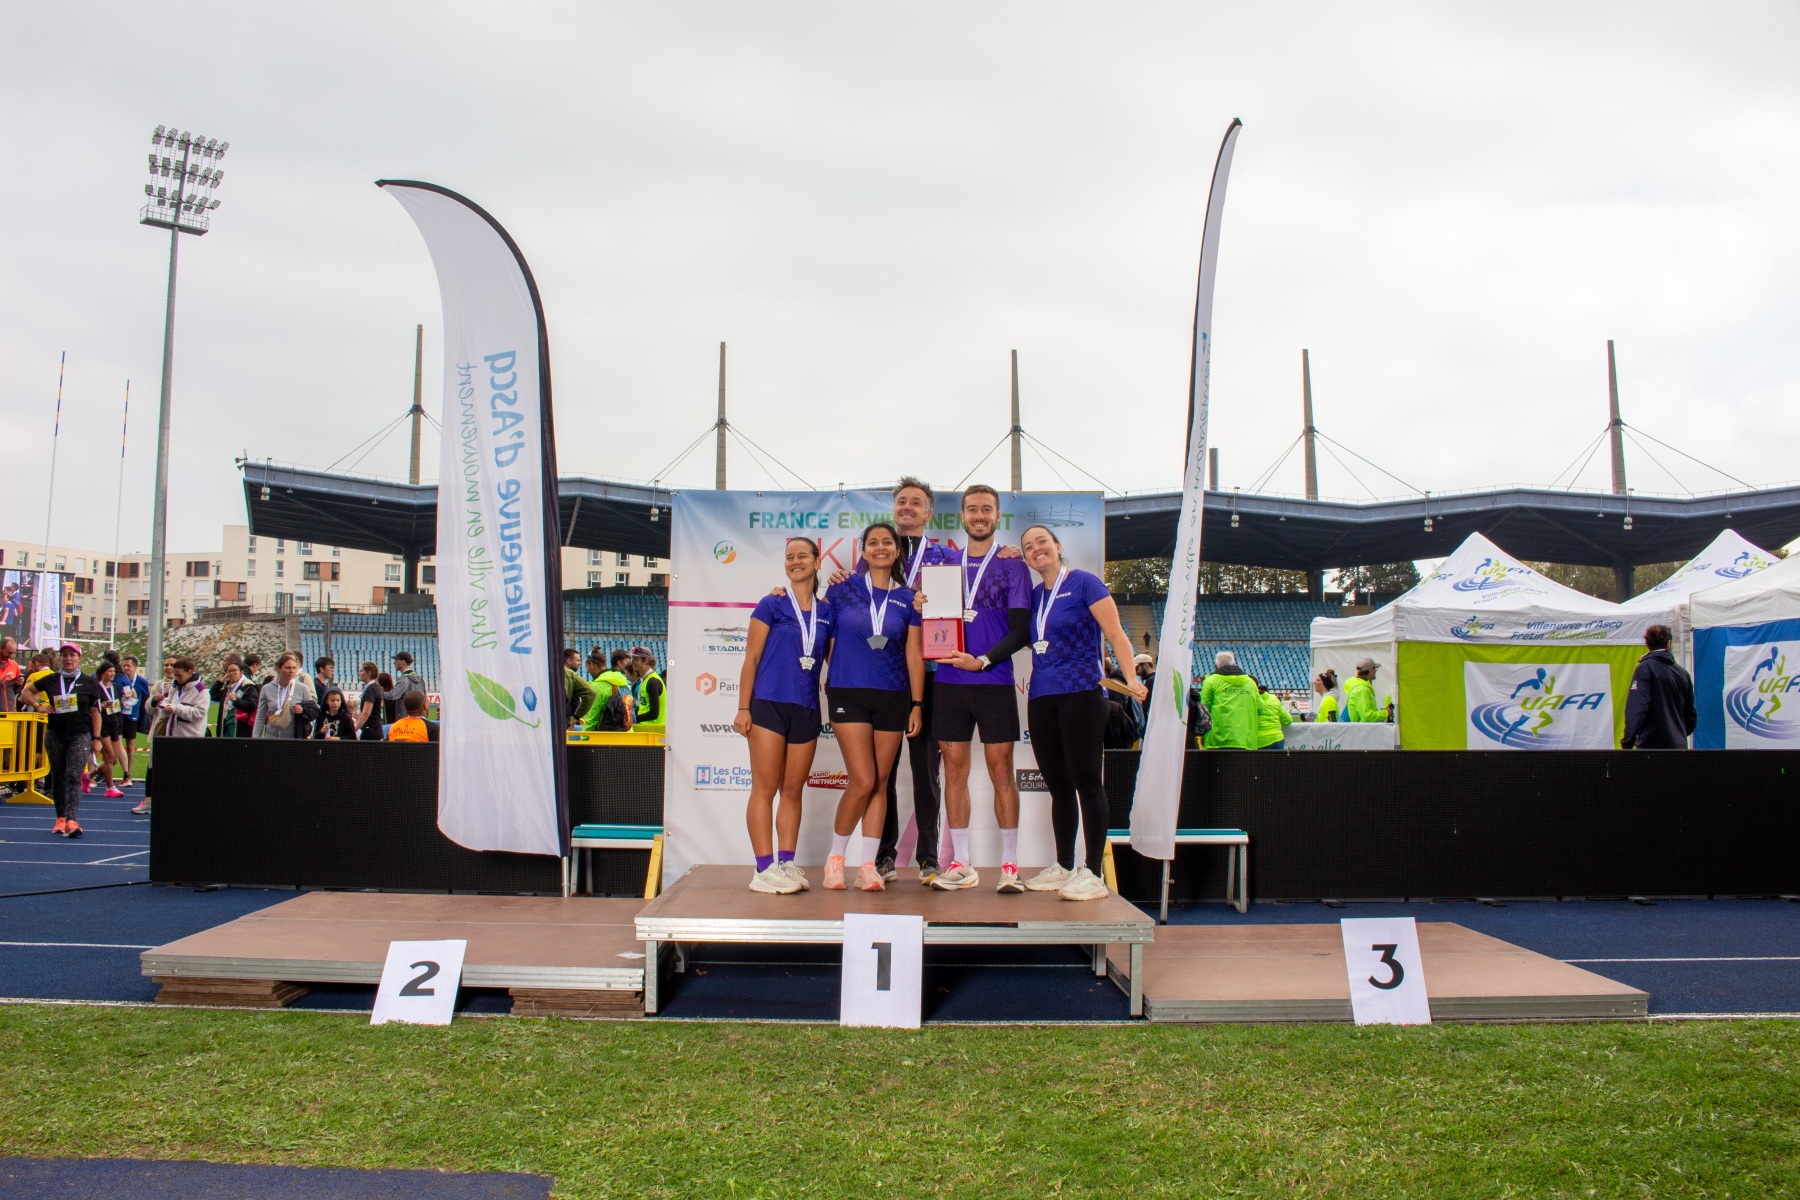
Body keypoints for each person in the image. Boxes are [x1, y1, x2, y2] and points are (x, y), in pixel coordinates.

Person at [1017, 524, 1146, 902]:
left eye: (1042, 541)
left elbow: (1116, 634)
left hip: (1082, 694)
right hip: (1042, 697)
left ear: (1057, 546)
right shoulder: (1034, 596)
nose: (1036, 549)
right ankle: (1063, 865)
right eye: (1028, 547)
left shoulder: (1085, 583)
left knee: (1087, 782)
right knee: (1058, 787)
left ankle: (1092, 872)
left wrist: (1132, 678)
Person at [924, 485, 1034, 894]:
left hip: (993, 682)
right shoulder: (944, 564)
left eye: (987, 509)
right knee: (954, 772)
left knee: (1001, 771)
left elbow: (1020, 632)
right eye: (972, 509)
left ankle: (1010, 866)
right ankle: (961, 864)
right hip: (950, 682)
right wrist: (920, 601)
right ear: (963, 516)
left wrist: (983, 660)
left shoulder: (1012, 565)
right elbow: (928, 614)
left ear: (997, 515)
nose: (979, 515)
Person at [821, 522, 924, 892]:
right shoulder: (840, 589)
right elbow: (823, 636)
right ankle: (835, 859)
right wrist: (846, 669)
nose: (880, 547)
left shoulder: (909, 599)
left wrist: (916, 703)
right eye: (873, 542)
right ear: (863, 551)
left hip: (893, 695)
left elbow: (914, 655)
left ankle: (868, 866)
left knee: (880, 782)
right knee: (863, 779)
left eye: (887, 542)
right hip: (848, 693)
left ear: (897, 551)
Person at [734, 537, 834, 894]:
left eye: (803, 556)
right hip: (768, 704)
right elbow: (751, 658)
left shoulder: (827, 612)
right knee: (764, 789)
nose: (795, 561)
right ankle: (763, 869)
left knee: (793, 790)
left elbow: (834, 659)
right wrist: (743, 707)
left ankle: (786, 863)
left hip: (806, 708)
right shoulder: (771, 603)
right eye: (790, 557)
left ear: (817, 562)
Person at [22, 643, 101, 837]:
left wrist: (97, 738)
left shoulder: (88, 682)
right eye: (64, 655)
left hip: (80, 733)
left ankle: (72, 820)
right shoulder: (51, 679)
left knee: (73, 775)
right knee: (58, 776)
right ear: (60, 658)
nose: (68, 659)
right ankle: (61, 818)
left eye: (72, 655)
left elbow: (95, 711)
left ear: (79, 658)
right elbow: (25, 693)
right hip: (55, 733)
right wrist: (38, 706)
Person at [1621, 624, 1696, 749]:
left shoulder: (1644, 669)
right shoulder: (1682, 673)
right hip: (1678, 747)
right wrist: (1678, 733)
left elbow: (1637, 708)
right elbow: (1690, 716)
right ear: (1669, 644)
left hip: (1651, 746)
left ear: (1647, 644)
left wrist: (1628, 741)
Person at [1199, 650, 1259, 750]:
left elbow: (1203, 708)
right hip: (1245, 740)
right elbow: (1260, 708)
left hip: (1217, 740)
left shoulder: (1211, 681)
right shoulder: (1250, 683)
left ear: (1216, 666)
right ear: (1234, 664)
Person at [252, 652, 319, 739]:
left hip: (294, 737)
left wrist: (303, 710)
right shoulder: (267, 688)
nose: (291, 671)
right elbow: (261, 715)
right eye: (288, 668)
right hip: (271, 737)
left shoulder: (303, 688)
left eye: (294, 668)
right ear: (278, 669)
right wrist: (255, 737)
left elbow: (312, 710)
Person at [90, 660, 127, 798]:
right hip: (102, 725)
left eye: (113, 671)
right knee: (109, 757)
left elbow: (117, 704)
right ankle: (110, 787)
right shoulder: (96, 687)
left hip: (114, 724)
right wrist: (104, 705)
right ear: (102, 673)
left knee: (113, 760)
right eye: (109, 671)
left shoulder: (115, 686)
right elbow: (93, 707)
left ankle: (88, 776)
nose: (112, 674)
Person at [579, 649, 635, 733]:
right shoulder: (623, 681)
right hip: (628, 734)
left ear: (591, 664)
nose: (587, 670)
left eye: (586, 666)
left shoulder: (596, 687)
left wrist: (585, 739)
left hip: (608, 737)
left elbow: (591, 720)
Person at [117, 655, 150, 785]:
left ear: (135, 667)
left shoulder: (141, 682)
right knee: (116, 744)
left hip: (132, 716)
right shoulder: (120, 679)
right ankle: (105, 770)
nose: (126, 668)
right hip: (119, 716)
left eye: (128, 666)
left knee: (130, 745)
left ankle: (128, 773)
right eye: (124, 665)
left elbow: (146, 698)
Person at [628, 646, 666, 736]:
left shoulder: (652, 682)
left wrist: (633, 719)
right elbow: (644, 706)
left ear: (645, 660)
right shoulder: (646, 679)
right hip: (647, 731)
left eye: (635, 659)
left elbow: (654, 713)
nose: (632, 662)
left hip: (654, 733)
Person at [1344, 658, 1391, 723]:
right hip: (1364, 729)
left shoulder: (1359, 687)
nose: (1375, 671)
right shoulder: (1362, 689)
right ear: (1370, 670)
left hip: (1362, 728)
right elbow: (1366, 716)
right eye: (1375, 668)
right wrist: (1385, 713)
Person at [382, 652, 425, 723]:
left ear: (403, 662)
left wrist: (378, 693)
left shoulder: (403, 679)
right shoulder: (420, 679)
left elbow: (392, 695)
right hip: (419, 718)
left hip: (405, 718)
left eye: (396, 660)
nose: (394, 663)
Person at [1254, 679, 1292, 750]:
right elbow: (1287, 720)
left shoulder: (1251, 699)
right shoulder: (1274, 699)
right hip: (1276, 738)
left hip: (1258, 740)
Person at [563, 648, 597, 728]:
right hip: (567, 724)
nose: (580, 663)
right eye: (577, 660)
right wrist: (575, 718)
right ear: (569, 661)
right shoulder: (571, 677)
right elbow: (591, 694)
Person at [353, 661, 386, 741]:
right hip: (373, 729)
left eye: (361, 671)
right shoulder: (374, 687)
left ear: (369, 673)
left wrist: (354, 729)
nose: (359, 673)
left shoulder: (371, 689)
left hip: (371, 730)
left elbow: (366, 714)